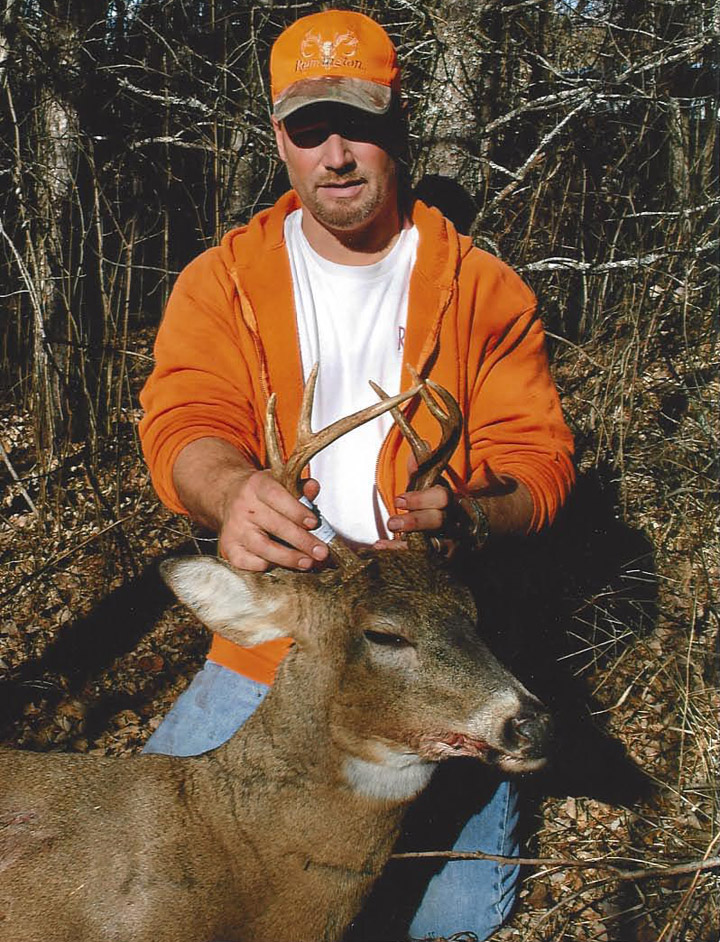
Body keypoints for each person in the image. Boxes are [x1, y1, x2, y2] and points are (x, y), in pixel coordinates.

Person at [138, 9, 575, 940]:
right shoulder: (221, 283)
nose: (336, 155)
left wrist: (475, 515)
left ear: (398, 126)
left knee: (447, 921)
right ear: (280, 141)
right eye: (309, 130)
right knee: (156, 870)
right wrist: (230, 492)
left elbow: (537, 461)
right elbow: (185, 420)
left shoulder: (484, 290)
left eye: (360, 125)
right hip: (283, 628)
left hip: (428, 630)